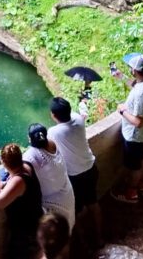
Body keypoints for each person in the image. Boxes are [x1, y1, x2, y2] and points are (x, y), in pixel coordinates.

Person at [47, 98, 101, 241]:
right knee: (93, 203)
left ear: (53, 115)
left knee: (74, 212)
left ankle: (83, 244)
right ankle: (99, 237)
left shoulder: (53, 132)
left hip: (75, 176)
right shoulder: (78, 119)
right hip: (91, 168)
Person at [112, 55, 143, 203]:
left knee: (134, 166)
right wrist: (121, 77)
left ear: (134, 70)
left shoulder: (141, 94)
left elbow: (138, 122)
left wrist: (122, 110)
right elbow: (136, 84)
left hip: (135, 135)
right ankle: (142, 183)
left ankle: (131, 192)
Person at [0, 143, 44, 259]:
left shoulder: (19, 181)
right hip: (36, 223)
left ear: (3, 163)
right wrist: (4, 184)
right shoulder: (26, 166)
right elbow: (13, 184)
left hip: (28, 234)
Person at [24, 124, 76, 232]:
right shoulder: (52, 143)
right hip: (66, 191)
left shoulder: (31, 156)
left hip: (53, 201)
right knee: (68, 225)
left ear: (29, 139)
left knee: (58, 233)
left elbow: (20, 172)